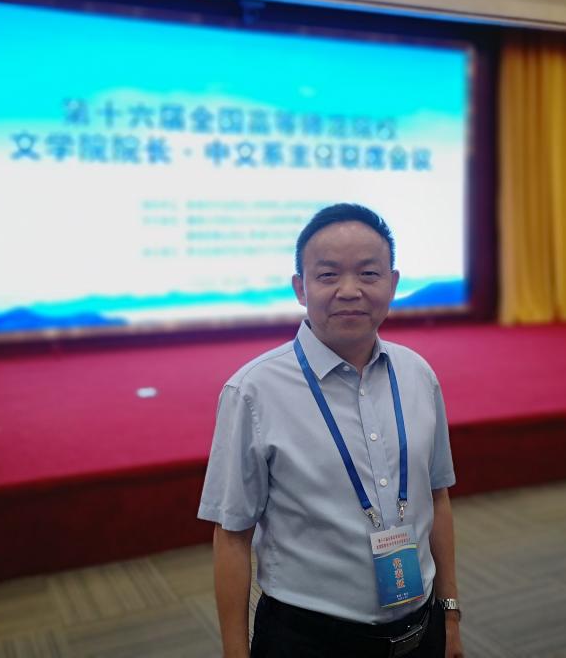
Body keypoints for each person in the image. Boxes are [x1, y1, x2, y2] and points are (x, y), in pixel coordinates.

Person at [199, 203, 464, 658]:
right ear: (300, 288)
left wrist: (450, 614)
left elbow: (437, 497)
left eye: (368, 274)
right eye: (328, 275)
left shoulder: (418, 374)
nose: (349, 290)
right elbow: (233, 535)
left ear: (393, 284)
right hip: (310, 639)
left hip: (422, 629)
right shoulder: (253, 392)